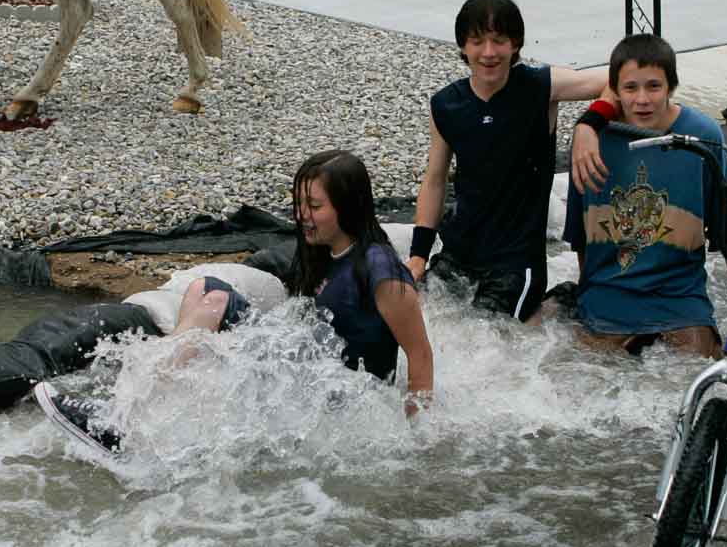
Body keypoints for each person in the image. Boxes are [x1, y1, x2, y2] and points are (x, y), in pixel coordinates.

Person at [37, 150, 436, 454]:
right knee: (207, 291)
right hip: (304, 363)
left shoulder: (380, 269)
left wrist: (415, 438)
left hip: (339, 392)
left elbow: (420, 355)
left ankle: (123, 426)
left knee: (222, 316)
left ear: (347, 208)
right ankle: (129, 413)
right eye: (299, 205)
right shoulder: (320, 253)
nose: (302, 216)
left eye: (315, 207)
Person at [408, 0, 608, 322]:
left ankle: (556, 305)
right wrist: (418, 256)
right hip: (458, 256)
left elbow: (621, 79)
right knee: (419, 325)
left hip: (515, 266)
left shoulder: (541, 87)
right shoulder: (446, 105)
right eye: (477, 41)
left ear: (515, 44)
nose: (489, 53)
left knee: (488, 352)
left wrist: (589, 126)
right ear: (462, 46)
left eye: (499, 41)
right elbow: (434, 181)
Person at [563, 33, 727, 357]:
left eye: (654, 86)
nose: (642, 99)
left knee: (697, 378)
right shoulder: (591, 142)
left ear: (671, 86)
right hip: (607, 297)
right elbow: (581, 240)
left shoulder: (704, 137)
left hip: (680, 301)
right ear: (614, 91)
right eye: (631, 88)